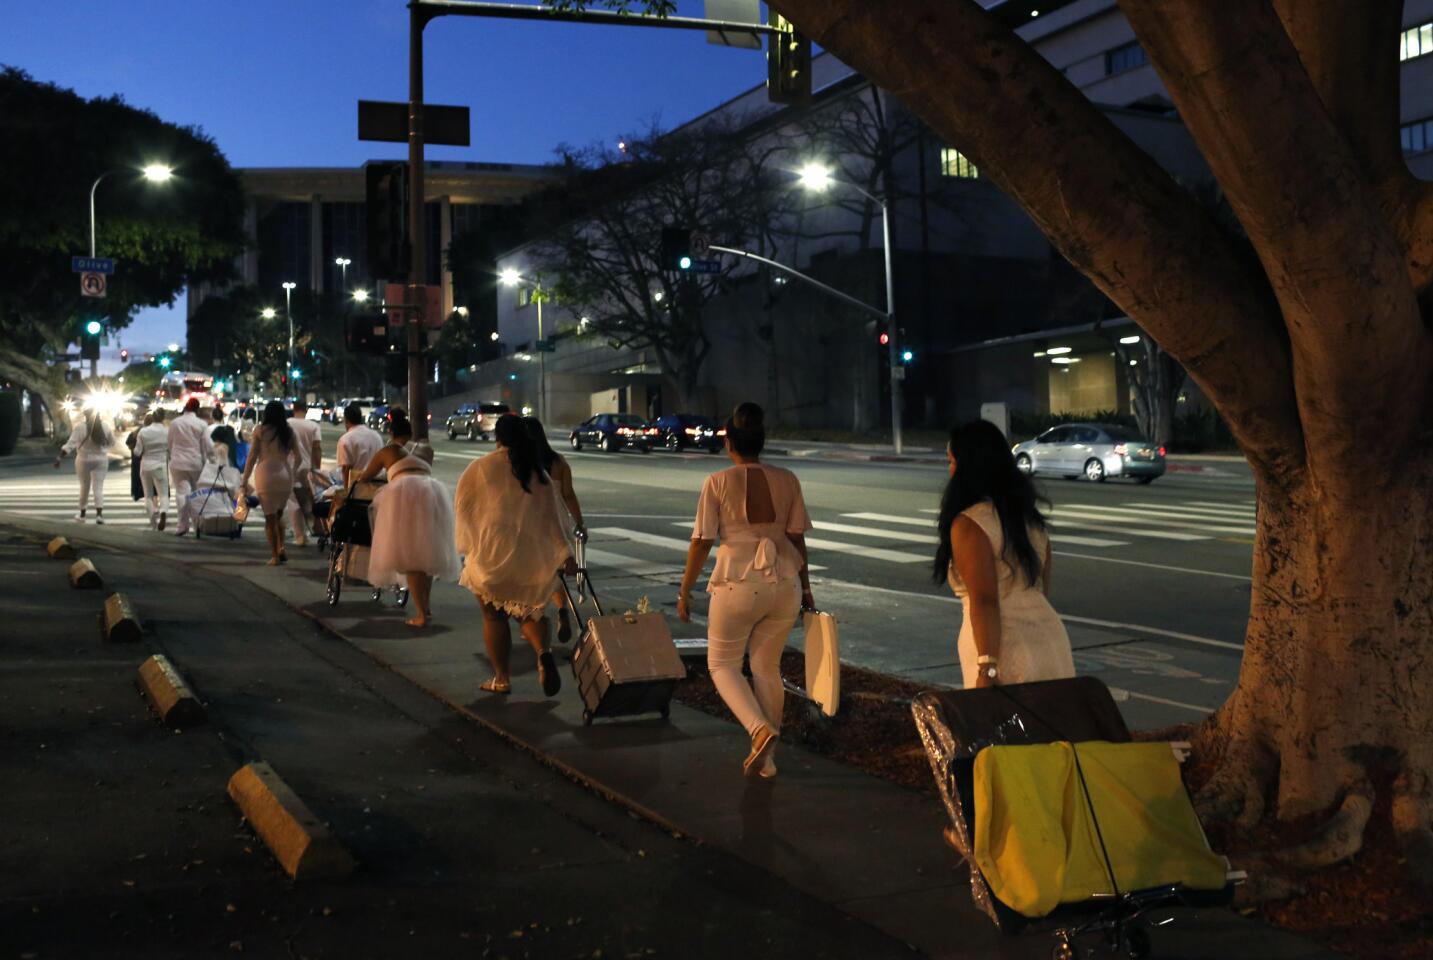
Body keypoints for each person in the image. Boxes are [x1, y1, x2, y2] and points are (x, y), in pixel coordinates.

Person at [678, 402, 813, 779]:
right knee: (766, 667)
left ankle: (757, 729)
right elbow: (797, 538)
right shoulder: (788, 479)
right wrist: (806, 588)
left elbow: (701, 542)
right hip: (784, 580)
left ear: (730, 445)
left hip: (738, 581)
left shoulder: (718, 482)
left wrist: (685, 591)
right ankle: (767, 759)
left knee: (721, 665)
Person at [934, 419, 1074, 691]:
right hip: (1049, 638)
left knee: (1004, 731)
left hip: (1003, 646)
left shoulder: (970, 524)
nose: (950, 470)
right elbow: (1040, 588)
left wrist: (987, 666)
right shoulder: (1029, 521)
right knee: (1052, 729)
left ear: (969, 467)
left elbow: (985, 599)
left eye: (952, 462)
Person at [454, 413, 573, 697]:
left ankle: (502, 678)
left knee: (494, 616)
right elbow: (552, 520)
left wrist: (469, 546)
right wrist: (565, 553)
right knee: (526, 612)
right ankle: (542, 653)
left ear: (497, 437)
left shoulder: (480, 468)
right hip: (527, 557)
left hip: (491, 554)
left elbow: (463, 508)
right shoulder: (538, 472)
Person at [353, 410, 459, 627]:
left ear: (391, 432)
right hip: (430, 493)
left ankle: (421, 615)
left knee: (410, 557)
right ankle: (425, 609)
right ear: (410, 432)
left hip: (404, 496)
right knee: (425, 555)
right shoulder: (425, 449)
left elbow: (365, 476)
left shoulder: (388, 450)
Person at [523, 416, 586, 643]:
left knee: (531, 573)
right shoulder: (559, 463)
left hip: (533, 524)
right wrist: (579, 522)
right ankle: (562, 610)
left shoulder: (523, 465)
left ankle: (534, 619)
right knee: (555, 571)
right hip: (559, 524)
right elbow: (569, 495)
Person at [240, 400, 303, 565]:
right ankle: (281, 548)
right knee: (278, 515)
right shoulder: (289, 432)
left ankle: (275, 555)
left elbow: (252, 457)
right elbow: (299, 457)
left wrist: (244, 479)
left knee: (270, 518)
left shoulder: (260, 430)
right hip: (285, 475)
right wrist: (293, 472)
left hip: (265, 475)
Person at [54, 408, 117, 524]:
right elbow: (113, 442)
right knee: (98, 487)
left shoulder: (80, 427)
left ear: (86, 416)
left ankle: (82, 515)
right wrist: (103, 448)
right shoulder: (105, 426)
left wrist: (59, 458)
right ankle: (99, 515)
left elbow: (70, 445)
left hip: (83, 460)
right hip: (101, 460)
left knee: (84, 486)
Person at [167, 397, 214, 536]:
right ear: (197, 409)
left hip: (178, 462)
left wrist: (174, 454)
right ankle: (197, 524)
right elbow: (208, 445)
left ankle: (182, 525)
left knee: (181, 493)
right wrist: (213, 459)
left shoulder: (175, 423)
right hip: (196, 463)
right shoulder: (201, 424)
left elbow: (169, 443)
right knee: (196, 494)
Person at [286, 399, 324, 546]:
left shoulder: (288, 423)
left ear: (293, 408)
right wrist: (317, 468)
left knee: (293, 501)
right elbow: (317, 448)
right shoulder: (313, 425)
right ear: (306, 409)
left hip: (290, 466)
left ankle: (300, 535)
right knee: (308, 499)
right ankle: (309, 527)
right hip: (307, 467)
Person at [133, 409, 171, 530]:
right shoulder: (167, 431)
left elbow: (137, 452)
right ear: (163, 418)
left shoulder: (143, 431)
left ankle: (153, 524)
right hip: (160, 465)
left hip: (145, 466)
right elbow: (170, 450)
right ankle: (163, 512)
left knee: (148, 495)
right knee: (163, 494)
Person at [336, 402, 384, 487]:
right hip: (379, 486)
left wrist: (346, 492)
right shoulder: (376, 436)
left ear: (346, 420)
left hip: (358, 489)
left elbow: (346, 469)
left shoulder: (346, 439)